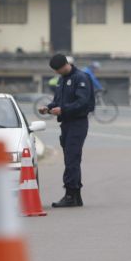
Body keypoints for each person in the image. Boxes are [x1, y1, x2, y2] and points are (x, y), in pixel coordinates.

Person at [38, 53, 95, 208]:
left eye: (58, 69)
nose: (57, 73)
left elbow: (82, 102)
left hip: (78, 123)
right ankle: (75, 196)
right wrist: (48, 108)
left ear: (65, 65)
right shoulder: (62, 79)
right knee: (70, 159)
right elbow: (58, 101)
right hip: (66, 123)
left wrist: (63, 110)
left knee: (72, 159)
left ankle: (71, 195)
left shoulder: (80, 78)